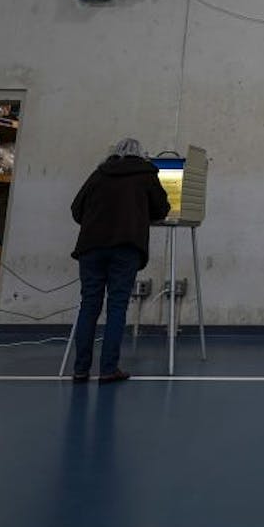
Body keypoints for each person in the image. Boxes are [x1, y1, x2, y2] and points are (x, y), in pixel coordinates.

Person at [69, 138, 170, 383]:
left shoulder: (99, 174)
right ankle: (108, 369)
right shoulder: (146, 175)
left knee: (89, 305)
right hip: (126, 248)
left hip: (91, 248)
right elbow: (161, 209)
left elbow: (76, 209)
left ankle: (80, 369)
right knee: (116, 307)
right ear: (141, 155)